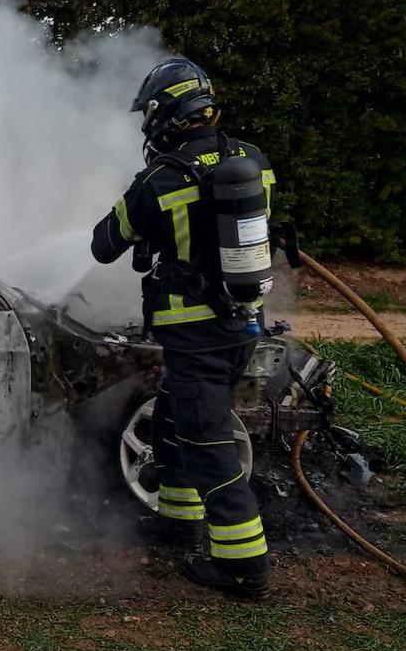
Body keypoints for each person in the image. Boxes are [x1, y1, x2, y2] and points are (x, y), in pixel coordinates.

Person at [90, 58, 275, 599]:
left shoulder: (160, 179)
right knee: (176, 415)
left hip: (193, 333)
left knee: (209, 442)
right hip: (241, 324)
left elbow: (105, 246)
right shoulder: (253, 160)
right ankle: (177, 520)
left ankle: (243, 566)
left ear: (166, 114)